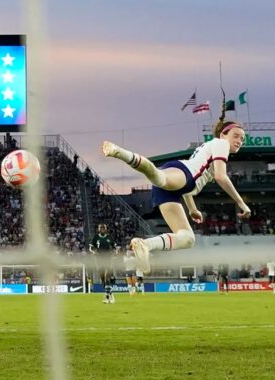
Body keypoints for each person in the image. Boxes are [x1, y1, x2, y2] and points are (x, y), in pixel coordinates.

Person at [102, 101, 250, 274]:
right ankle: (118, 151)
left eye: (242, 138)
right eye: (236, 136)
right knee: (159, 177)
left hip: (181, 185)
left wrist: (193, 209)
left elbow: (192, 182)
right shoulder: (221, 144)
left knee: (187, 238)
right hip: (184, 174)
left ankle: (145, 245)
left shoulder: (214, 146)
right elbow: (220, 176)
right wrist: (242, 204)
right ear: (224, 134)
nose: (240, 140)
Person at [89, 223, 116, 304]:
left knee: (106, 276)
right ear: (98, 229)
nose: (102, 229)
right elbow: (90, 248)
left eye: (104, 227)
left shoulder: (109, 237)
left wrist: (114, 252)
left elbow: (115, 247)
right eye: (101, 228)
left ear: (106, 229)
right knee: (103, 280)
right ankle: (111, 295)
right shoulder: (96, 237)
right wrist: (94, 252)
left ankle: (107, 298)